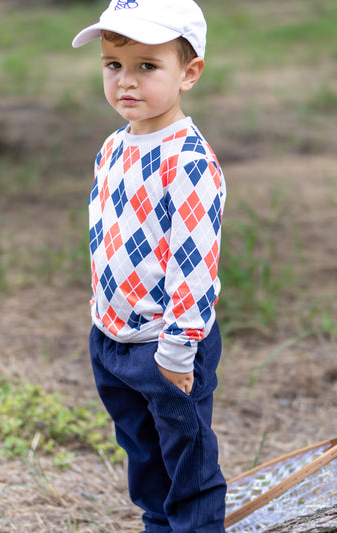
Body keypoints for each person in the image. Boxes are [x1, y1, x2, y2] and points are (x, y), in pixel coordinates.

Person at [72, 1, 227, 530]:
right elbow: (107, 235)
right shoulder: (113, 147)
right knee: (144, 459)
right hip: (113, 337)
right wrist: (102, 315)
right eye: (113, 65)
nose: (126, 81)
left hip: (167, 344)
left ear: (189, 73)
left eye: (147, 66)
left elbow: (194, 263)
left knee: (187, 466)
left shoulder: (189, 161)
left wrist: (179, 349)